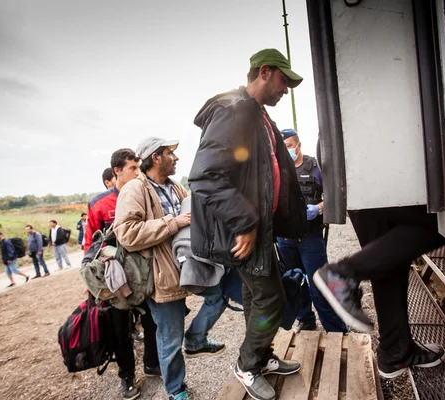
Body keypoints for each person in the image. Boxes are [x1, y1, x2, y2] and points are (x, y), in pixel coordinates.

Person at [188, 48, 308, 400]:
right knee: (271, 299)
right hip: (242, 231)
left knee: (260, 297)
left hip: (258, 228)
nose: (286, 90)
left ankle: (261, 357)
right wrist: (246, 222)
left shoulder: (257, 114)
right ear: (266, 72)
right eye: (284, 81)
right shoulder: (233, 109)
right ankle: (247, 365)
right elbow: (206, 176)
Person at [114, 137, 227, 400]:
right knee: (170, 338)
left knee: (218, 295)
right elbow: (126, 234)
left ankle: (196, 339)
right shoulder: (134, 190)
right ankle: (176, 389)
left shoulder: (175, 187)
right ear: (155, 157)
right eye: (169, 153)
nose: (175, 158)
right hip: (162, 274)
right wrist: (172, 223)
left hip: (189, 263)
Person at [313, 206, 445, 379]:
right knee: (440, 223)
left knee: (388, 259)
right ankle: (343, 274)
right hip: (381, 187)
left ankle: (395, 352)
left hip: (362, 192)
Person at [85, 148, 160, 400]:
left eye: (140, 168)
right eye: (133, 169)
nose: (139, 173)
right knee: (120, 330)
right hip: (114, 280)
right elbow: (90, 245)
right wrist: (92, 283)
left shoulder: (145, 194)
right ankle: (127, 376)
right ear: (117, 171)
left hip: (144, 274)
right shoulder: (99, 203)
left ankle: (152, 363)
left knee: (152, 321)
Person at [276, 128, 348, 334]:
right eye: (282, 147)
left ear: (298, 145)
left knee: (320, 287)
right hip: (285, 240)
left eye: (289, 146)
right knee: (294, 284)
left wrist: (319, 208)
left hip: (310, 239)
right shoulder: (277, 171)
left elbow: (335, 195)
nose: (286, 150)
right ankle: (305, 320)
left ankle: (336, 330)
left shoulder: (315, 167)